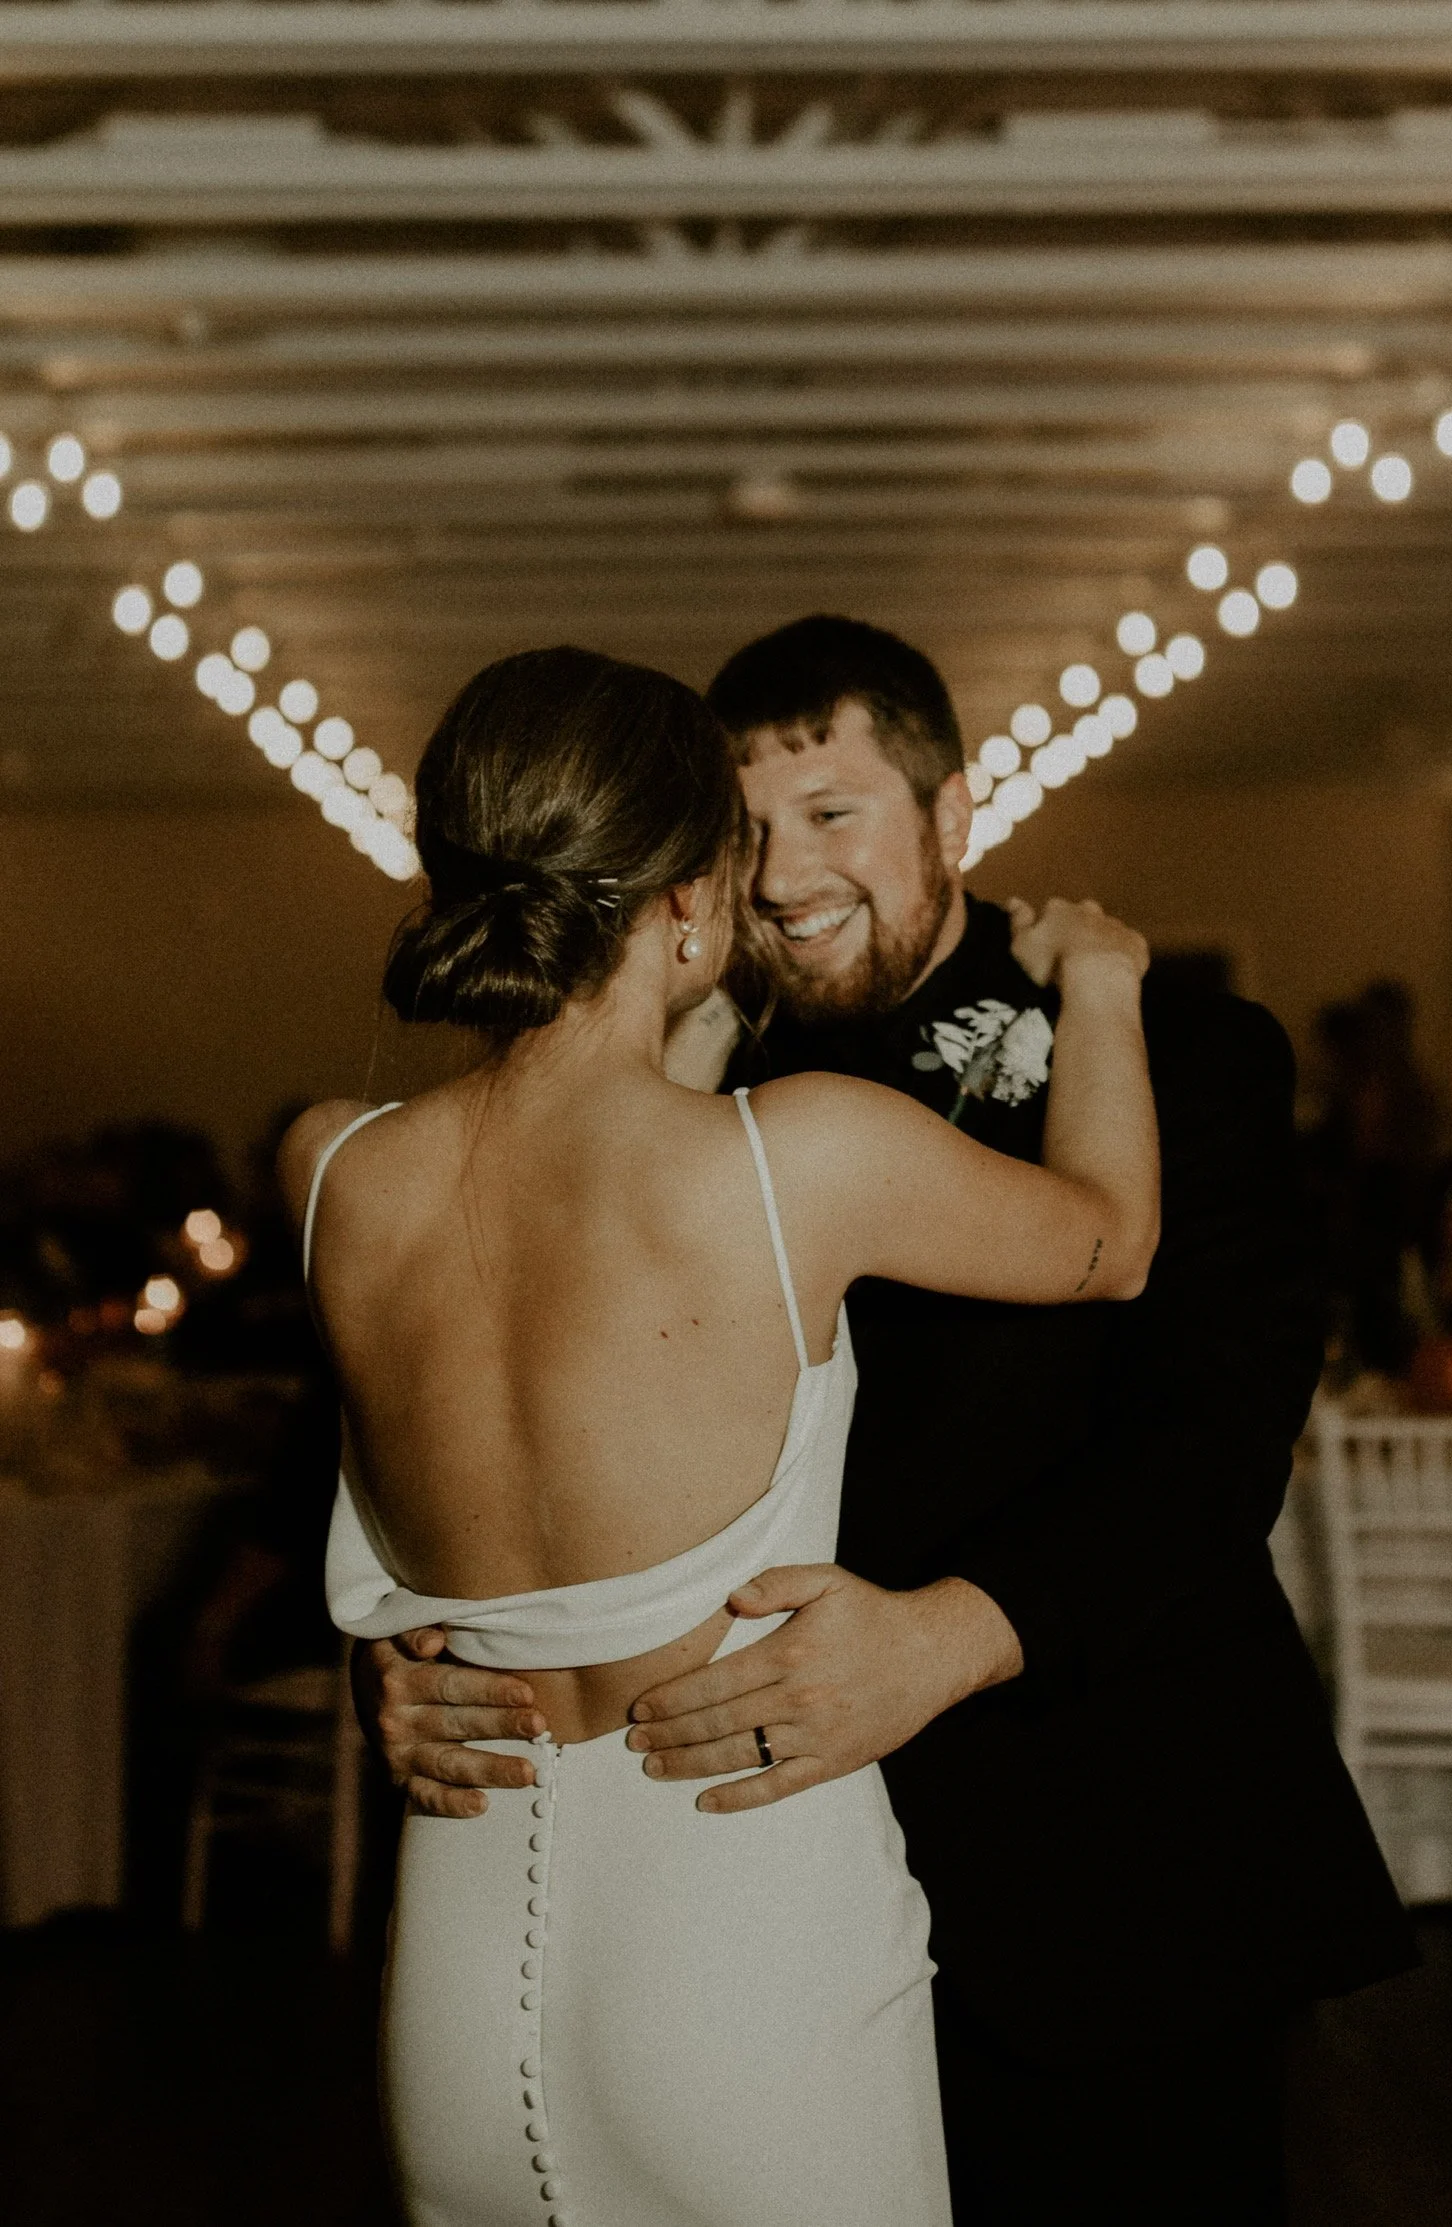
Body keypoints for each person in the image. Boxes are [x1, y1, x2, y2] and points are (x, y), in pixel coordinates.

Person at [365, 618, 1417, 2226]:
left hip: (1104, 1869)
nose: (787, 873)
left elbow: (1209, 1443)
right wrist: (444, 1643)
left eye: (836, 812)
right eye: (748, 826)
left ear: (956, 810)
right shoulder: (666, 1088)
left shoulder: (1172, 1051)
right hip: (748, 1898)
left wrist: (954, 1634)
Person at [281, 645, 1160, 2227]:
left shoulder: (333, 1176)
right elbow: (1116, 1236)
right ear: (690, 900)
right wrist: (1098, 979)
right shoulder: (799, 1163)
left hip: (463, 1962)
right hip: (744, 1941)